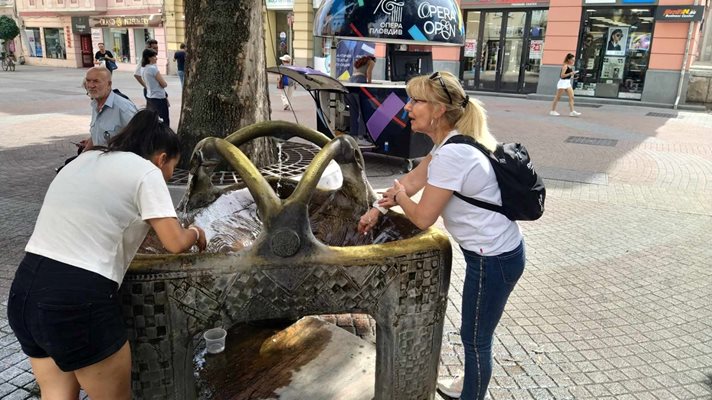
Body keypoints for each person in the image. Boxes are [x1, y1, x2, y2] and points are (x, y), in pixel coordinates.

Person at [7, 109, 207, 400]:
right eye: (170, 169)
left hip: (25, 292)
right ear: (162, 158)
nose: (166, 177)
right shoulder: (146, 171)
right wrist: (197, 233)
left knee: (56, 395)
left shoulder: (86, 158)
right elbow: (174, 242)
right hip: (77, 303)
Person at [358, 71, 526, 400]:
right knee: (476, 334)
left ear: (437, 110)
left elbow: (422, 218)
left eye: (416, 101)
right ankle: (469, 384)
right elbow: (411, 181)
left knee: (476, 338)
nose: (407, 107)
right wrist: (379, 207)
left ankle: (471, 394)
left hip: (494, 259)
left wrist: (400, 200)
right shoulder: (450, 143)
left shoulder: (453, 154)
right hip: (495, 253)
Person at [83, 66, 138, 149]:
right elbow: (97, 135)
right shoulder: (95, 104)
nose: (90, 85)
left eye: (96, 81)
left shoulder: (124, 108)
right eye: (88, 81)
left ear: (109, 84)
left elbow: (140, 138)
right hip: (99, 156)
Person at [142, 48, 170, 126]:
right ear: (149, 58)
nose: (156, 58)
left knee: (154, 119)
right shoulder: (153, 69)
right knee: (164, 119)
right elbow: (164, 84)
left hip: (150, 96)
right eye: (154, 56)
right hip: (159, 97)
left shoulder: (144, 69)